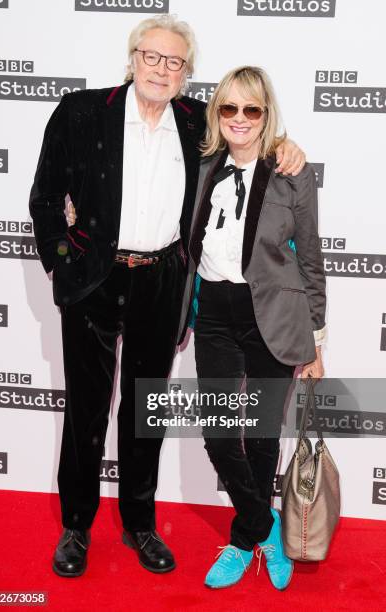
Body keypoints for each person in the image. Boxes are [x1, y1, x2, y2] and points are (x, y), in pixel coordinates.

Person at [29, 14, 306, 578]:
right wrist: (64, 265)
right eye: (152, 57)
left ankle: (139, 523)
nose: (161, 69)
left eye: (174, 61)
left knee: (144, 410)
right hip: (95, 279)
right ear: (132, 58)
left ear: (186, 72)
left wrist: (286, 146)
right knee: (85, 408)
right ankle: (76, 527)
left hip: (162, 280)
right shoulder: (81, 113)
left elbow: (246, 133)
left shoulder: (194, 121)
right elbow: (43, 199)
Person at [177, 65, 326, 590]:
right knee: (219, 434)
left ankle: (243, 541)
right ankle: (264, 530)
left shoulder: (291, 170)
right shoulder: (202, 166)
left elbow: (309, 257)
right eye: (229, 108)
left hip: (274, 316)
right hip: (214, 312)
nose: (239, 118)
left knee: (263, 437)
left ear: (267, 115)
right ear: (217, 113)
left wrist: (317, 337)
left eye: (252, 109)